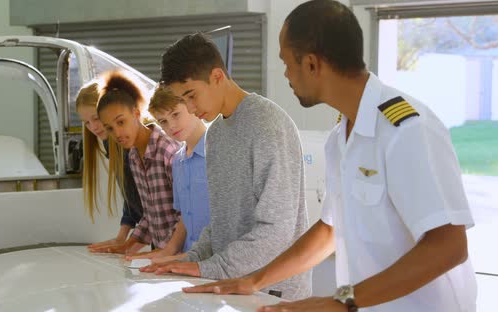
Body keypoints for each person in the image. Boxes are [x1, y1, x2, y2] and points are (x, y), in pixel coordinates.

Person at [183, 1, 477, 311]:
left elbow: (449, 246)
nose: (286, 75)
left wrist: (341, 302)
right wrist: (254, 281)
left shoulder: (406, 130)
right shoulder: (339, 138)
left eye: (286, 63)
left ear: (311, 64)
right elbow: (329, 231)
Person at [141, 32, 311, 300]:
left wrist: (211, 267)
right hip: (231, 285)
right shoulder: (216, 134)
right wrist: (191, 259)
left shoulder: (267, 124)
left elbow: (277, 229)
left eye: (191, 95)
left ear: (217, 77)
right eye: (183, 100)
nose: (191, 107)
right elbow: (220, 221)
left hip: (273, 291)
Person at [96, 70, 181, 253]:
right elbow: (151, 214)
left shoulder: (168, 150)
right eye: (109, 128)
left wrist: (164, 251)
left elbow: (186, 216)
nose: (117, 134)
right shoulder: (134, 157)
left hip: (180, 255)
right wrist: (127, 245)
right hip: (161, 258)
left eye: (121, 122)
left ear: (136, 113)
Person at [128, 86, 210, 262]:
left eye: (175, 114)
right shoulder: (178, 161)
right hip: (188, 260)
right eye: (163, 121)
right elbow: (185, 219)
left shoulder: (217, 152)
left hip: (215, 260)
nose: (171, 126)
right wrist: (167, 251)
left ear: (191, 105)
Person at [75, 78, 145, 254]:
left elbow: (154, 205)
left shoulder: (131, 144)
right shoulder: (110, 143)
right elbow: (131, 194)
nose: (93, 127)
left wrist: (131, 241)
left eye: (96, 119)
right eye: (86, 123)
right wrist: (121, 237)